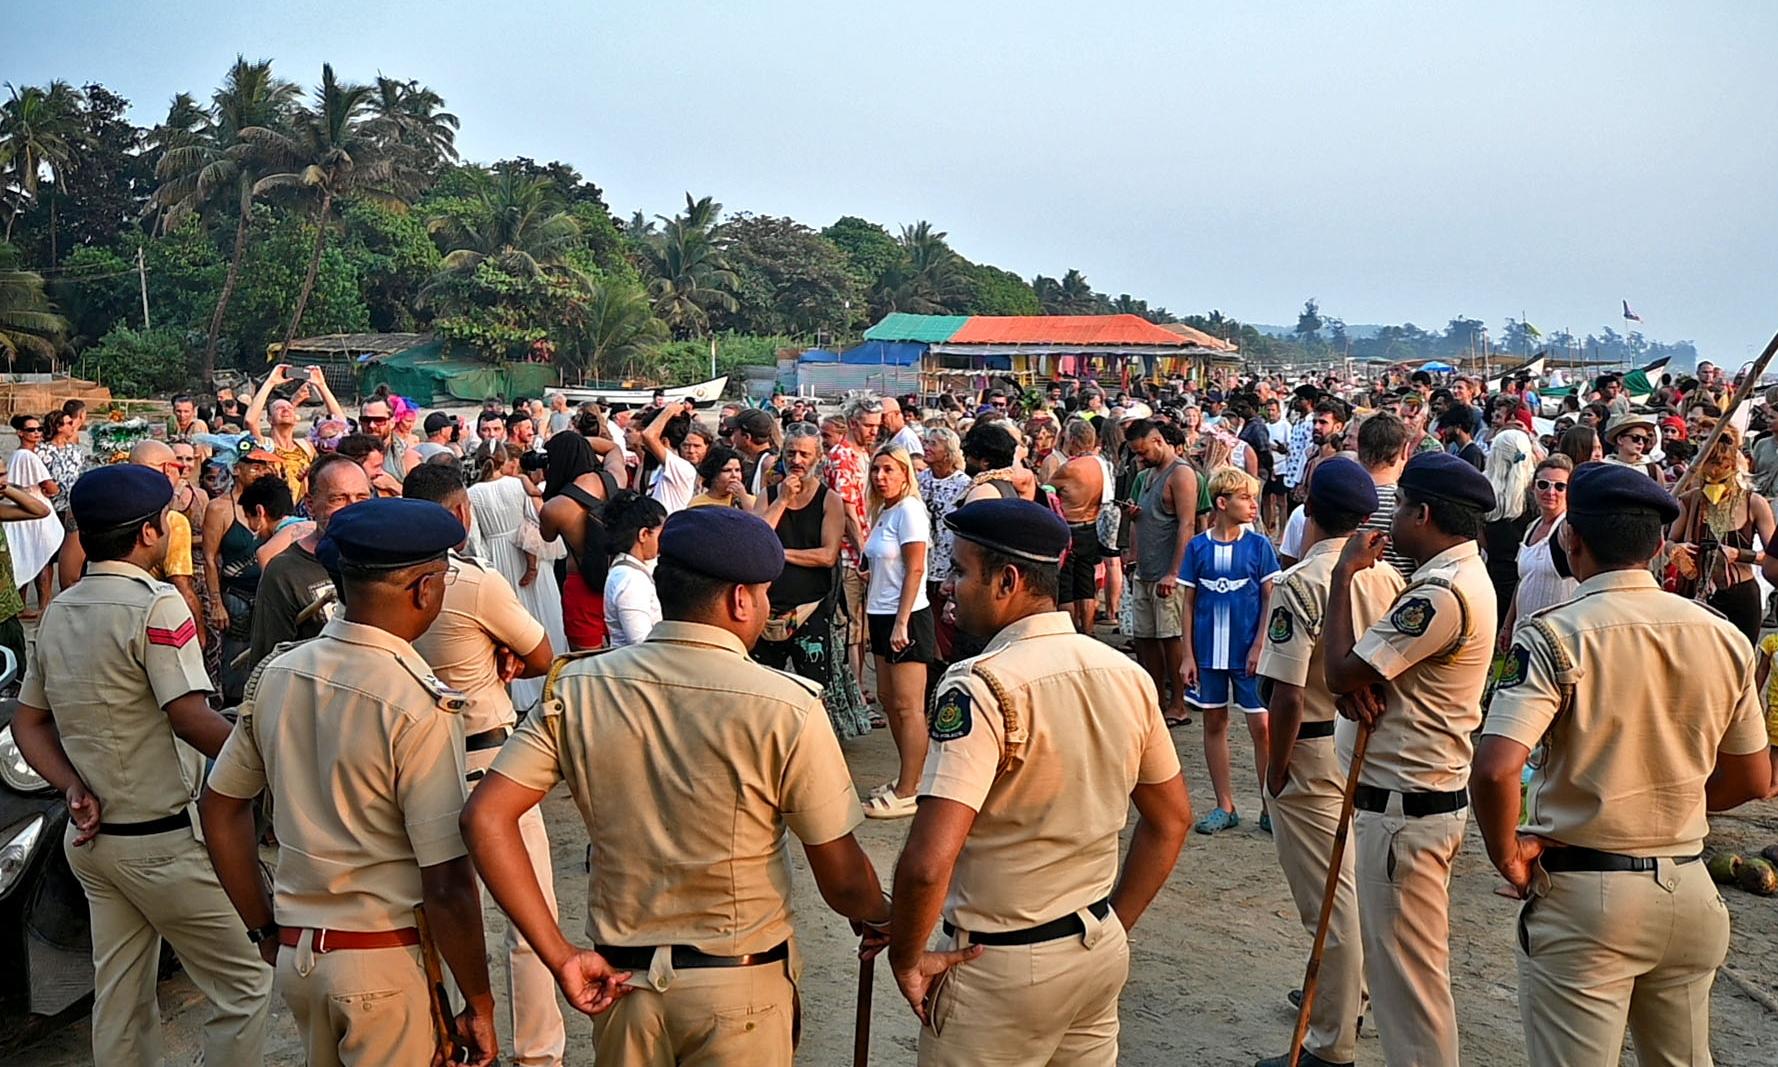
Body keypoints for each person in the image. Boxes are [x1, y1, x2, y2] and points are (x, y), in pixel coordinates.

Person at [461, 506, 893, 1063]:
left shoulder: (578, 687)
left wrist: (559, 954)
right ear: (741, 600)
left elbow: (485, 817)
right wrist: (881, 912)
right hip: (737, 990)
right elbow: (843, 880)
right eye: (765, 594)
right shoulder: (785, 705)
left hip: (624, 984)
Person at [1471, 463, 1773, 1065]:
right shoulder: (1722, 635)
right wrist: (1667, 802)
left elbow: (1496, 767)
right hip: (1689, 885)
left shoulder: (1555, 635)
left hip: (1588, 895)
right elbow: (1754, 778)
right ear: (1659, 547)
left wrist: (1509, 855)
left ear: (1571, 538)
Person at [887, 498, 1192, 1066]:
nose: (948, 586)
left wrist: (905, 957)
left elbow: (928, 863)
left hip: (999, 965)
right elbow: (1172, 819)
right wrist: (1112, 926)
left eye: (959, 570)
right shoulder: (1124, 673)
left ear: (1007, 581)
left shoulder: (979, 685)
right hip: (1093, 947)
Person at [199, 498, 498, 1067]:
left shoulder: (280, 673)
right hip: (382, 962)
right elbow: (446, 881)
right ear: (424, 590)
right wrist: (479, 1002)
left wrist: (263, 929)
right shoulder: (415, 700)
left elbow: (220, 807)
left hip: (301, 955)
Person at [9, 465, 273, 1067]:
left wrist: (71, 785)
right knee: (246, 983)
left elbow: (29, 723)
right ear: (151, 532)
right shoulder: (156, 606)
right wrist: (271, 758)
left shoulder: (60, 609)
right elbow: (190, 718)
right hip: (161, 842)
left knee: (121, 998)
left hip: (94, 840)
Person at [1321, 450, 1498, 1067]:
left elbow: (1340, 671)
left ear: (1422, 514)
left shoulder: (1441, 592)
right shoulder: (1456, 576)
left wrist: (1342, 577)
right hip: (1414, 801)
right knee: (1406, 980)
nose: (1389, 523)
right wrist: (1357, 685)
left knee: (1410, 993)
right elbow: (1365, 677)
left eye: (1398, 509)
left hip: (1406, 810)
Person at [402, 464, 563, 1067]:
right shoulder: (471, 582)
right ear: (461, 514)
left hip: (418, 767)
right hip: (490, 760)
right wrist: (500, 648)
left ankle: (447, 1040)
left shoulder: (378, 586)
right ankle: (538, 1053)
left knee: (437, 909)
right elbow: (542, 655)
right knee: (528, 914)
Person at [1253, 458, 1404, 1067]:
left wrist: (1276, 769)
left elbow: (1286, 693)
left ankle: (1330, 1043)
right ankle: (1346, 999)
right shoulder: (1386, 577)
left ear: (1309, 508)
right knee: (1352, 888)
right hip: (1363, 742)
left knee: (1329, 905)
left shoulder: (1302, 581)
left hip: (1312, 744)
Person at [1181, 466, 1282, 835]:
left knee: (1262, 727)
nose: (1254, 505)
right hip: (1208, 653)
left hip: (1247, 654)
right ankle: (1225, 805)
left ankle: (1269, 806)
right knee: (1213, 722)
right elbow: (1188, 602)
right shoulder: (1198, 547)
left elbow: (1270, 598)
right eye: (1245, 498)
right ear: (1222, 503)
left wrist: (1259, 645)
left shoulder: (1259, 546)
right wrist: (1187, 654)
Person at [860, 443, 935, 819]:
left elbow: (916, 568)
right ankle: (908, 775)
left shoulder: (909, 510)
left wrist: (902, 621)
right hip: (880, 612)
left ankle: (911, 787)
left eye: (889, 469)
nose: (880, 476)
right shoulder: (885, 511)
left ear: (905, 474)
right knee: (889, 699)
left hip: (904, 615)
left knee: (908, 706)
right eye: (876, 470)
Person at [247, 453, 371, 671]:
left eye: (361, 498)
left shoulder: (382, 559)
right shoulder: (284, 572)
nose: (352, 508)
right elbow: (268, 664)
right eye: (338, 499)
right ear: (311, 505)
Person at [468, 444, 568, 709]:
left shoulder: (472, 493)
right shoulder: (518, 486)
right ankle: (556, 676)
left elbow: (475, 540)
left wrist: (488, 566)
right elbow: (535, 520)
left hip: (498, 559)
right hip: (526, 553)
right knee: (545, 613)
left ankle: (520, 689)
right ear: (505, 461)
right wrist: (533, 563)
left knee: (511, 623)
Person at [1670, 424, 1775, 647]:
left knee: (1741, 658)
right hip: (1697, 595)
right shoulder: (1690, 500)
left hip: (1741, 595)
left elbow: (1772, 557)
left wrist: (1739, 554)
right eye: (1710, 467)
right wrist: (1676, 550)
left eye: (1721, 467)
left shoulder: (1754, 503)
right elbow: (1668, 541)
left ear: (1733, 467)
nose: (1715, 474)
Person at [1125, 418, 1199, 727]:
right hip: (1145, 569)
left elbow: (1188, 524)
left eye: (1143, 451)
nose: (1139, 458)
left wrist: (1175, 572)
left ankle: (1178, 703)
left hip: (1167, 572)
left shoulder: (1181, 474)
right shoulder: (1147, 475)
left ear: (1158, 441)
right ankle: (1156, 700)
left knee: (1170, 638)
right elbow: (1148, 517)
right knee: (1145, 637)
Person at [539, 429, 618, 651]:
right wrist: (579, 444)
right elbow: (613, 448)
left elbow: (548, 537)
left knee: (586, 662)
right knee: (623, 653)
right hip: (618, 580)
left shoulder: (555, 508)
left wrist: (566, 447)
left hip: (582, 584)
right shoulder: (614, 479)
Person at [828, 393, 883, 690]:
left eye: (877, 425)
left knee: (860, 625)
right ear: (852, 423)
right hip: (851, 555)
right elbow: (848, 512)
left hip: (865, 548)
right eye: (868, 425)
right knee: (851, 625)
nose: (874, 431)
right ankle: (855, 690)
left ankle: (859, 687)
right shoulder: (842, 456)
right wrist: (864, 556)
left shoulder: (866, 454)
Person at [1499, 455, 1576, 646]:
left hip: (1557, 637)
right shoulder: (1531, 527)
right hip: (1524, 632)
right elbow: (1524, 579)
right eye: (1543, 484)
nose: (1550, 492)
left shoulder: (1569, 530)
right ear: (1533, 487)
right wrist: (1507, 625)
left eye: (1560, 487)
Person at [1049, 418, 1106, 634]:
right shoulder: (1099, 464)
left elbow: (1046, 489)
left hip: (1070, 529)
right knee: (1085, 583)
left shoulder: (1069, 468)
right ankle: (1088, 631)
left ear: (1072, 440)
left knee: (1066, 585)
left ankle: (1070, 632)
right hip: (1090, 525)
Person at [1480, 427, 1538, 625]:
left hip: (1492, 573)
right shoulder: (1535, 495)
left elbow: (1480, 537)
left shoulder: (1484, 492)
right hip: (1524, 576)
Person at [8, 411, 65, 612]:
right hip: (36, 512)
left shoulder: (17, 455)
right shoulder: (28, 457)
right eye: (31, 430)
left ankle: (22, 606)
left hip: (24, 509)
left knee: (26, 555)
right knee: (41, 557)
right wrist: (54, 489)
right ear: (20, 433)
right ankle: (44, 605)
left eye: (39, 429)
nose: (37, 433)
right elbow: (50, 487)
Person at [1353, 411, 1416, 580]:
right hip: (1396, 593)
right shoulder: (1406, 506)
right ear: (1405, 451)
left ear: (1359, 450)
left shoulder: (1342, 500)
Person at [602, 490, 666, 648]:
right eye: (661, 533)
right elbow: (641, 644)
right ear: (644, 534)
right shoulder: (630, 580)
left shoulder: (629, 570)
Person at [639, 399, 705, 514]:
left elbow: (648, 436)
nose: (642, 442)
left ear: (664, 441)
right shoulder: (658, 466)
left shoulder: (681, 467)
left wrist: (669, 410)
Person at [686, 444, 755, 509]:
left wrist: (743, 498)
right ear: (714, 474)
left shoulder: (752, 501)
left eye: (737, 470)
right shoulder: (698, 504)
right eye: (727, 470)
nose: (734, 475)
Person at [1601, 411, 1659, 476]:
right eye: (1635, 437)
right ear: (1620, 439)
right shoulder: (1604, 467)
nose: (1641, 442)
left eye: (1645, 439)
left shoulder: (1651, 469)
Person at [1436, 405, 1485, 470]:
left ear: (1457, 427)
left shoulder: (1473, 454)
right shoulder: (1460, 452)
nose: (1443, 431)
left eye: (1446, 426)